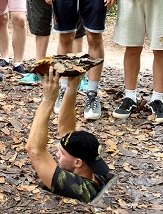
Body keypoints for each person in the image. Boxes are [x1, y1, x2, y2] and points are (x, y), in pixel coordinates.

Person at [25, 67, 110, 203]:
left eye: (62, 153)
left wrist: (48, 99)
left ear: (78, 162)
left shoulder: (78, 189)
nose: (57, 155)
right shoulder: (94, 169)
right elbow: (66, 129)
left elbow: (34, 150)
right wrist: (72, 87)